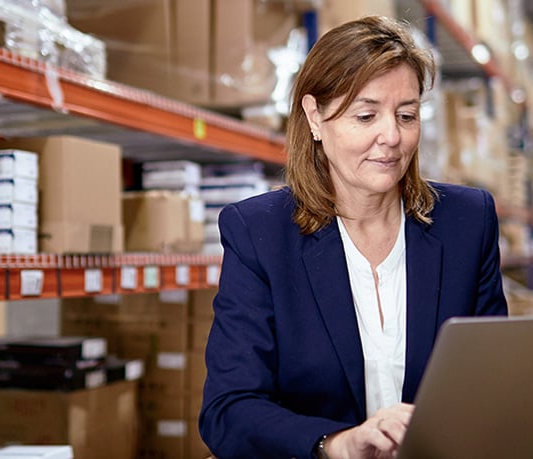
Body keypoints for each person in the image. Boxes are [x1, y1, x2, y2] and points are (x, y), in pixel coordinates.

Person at [198, 15, 509, 459]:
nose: (392, 137)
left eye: (407, 115)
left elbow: (495, 381)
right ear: (315, 118)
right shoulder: (260, 234)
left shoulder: (468, 222)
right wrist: (337, 444)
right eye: (366, 115)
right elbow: (228, 411)